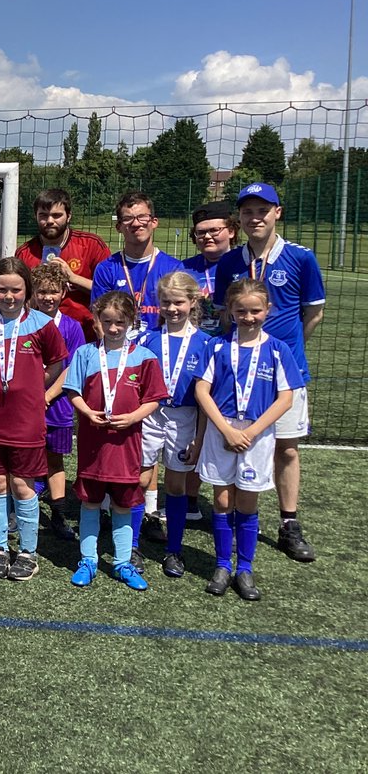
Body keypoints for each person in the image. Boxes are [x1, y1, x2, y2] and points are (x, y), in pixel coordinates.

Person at [213, 182, 324, 564]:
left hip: (281, 373)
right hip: (237, 375)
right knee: (237, 440)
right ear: (239, 219)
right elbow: (223, 313)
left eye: (263, 210)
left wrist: (286, 355)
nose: (254, 217)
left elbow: (313, 314)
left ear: (278, 212)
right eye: (247, 211)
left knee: (287, 447)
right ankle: (243, 514)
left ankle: (289, 523)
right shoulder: (228, 262)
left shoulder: (300, 258)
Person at [195, 278, 303, 600]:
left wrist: (252, 432)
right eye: (241, 310)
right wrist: (226, 430)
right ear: (230, 310)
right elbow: (202, 389)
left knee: (246, 500)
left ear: (267, 310)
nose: (248, 316)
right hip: (222, 430)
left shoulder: (277, 349)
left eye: (255, 310)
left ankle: (244, 568)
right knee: (222, 500)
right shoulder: (216, 346)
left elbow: (285, 398)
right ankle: (221, 565)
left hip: (257, 434)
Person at [0, 258, 67, 581]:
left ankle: (28, 552)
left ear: (27, 290)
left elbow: (56, 365)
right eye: (2, 289)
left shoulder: (42, 325)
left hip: (26, 420)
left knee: (22, 484)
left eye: (16, 289)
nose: (9, 296)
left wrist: (33, 392)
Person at [63, 291, 167, 591]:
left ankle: (122, 562)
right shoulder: (85, 353)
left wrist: (135, 417)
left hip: (127, 445)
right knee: (91, 502)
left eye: (119, 322)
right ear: (97, 320)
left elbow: (154, 399)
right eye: (106, 321)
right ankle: (88, 560)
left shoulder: (144, 358)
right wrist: (86, 413)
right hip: (93, 443)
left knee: (122, 505)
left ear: (131, 321)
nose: (113, 328)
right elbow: (73, 391)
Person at [137, 272, 212, 577]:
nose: (172, 308)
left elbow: (208, 397)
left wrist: (199, 436)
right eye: (166, 302)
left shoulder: (207, 343)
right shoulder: (147, 339)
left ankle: (174, 550)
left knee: (176, 485)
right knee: (140, 480)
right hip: (150, 415)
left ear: (193, 301)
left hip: (185, 418)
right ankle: (132, 545)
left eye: (179, 302)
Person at [30, 263, 84, 542]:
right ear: (33, 293)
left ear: (63, 292)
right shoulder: (25, 322)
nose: (47, 297)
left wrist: (48, 396)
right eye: (41, 292)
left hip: (57, 406)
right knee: (25, 459)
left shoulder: (72, 327)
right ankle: (22, 511)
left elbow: (72, 366)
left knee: (55, 460)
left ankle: (59, 515)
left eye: (53, 291)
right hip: (25, 405)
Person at [15, 187, 112, 334]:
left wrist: (73, 278)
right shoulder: (25, 253)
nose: (49, 221)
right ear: (35, 216)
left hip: (86, 333)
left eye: (56, 215)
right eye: (43, 215)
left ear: (69, 216)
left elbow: (111, 291)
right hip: (37, 335)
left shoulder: (92, 245)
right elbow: (18, 299)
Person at [90, 191, 185, 335]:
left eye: (142, 217)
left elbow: (180, 316)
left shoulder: (174, 268)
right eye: (128, 218)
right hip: (119, 348)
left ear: (154, 222)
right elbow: (98, 319)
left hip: (160, 347)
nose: (136, 223)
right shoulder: (106, 268)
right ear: (118, 227)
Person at [182, 201, 237, 338]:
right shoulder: (183, 269)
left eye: (214, 230)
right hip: (195, 346)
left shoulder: (244, 264)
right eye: (200, 232)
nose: (207, 236)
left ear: (231, 231)